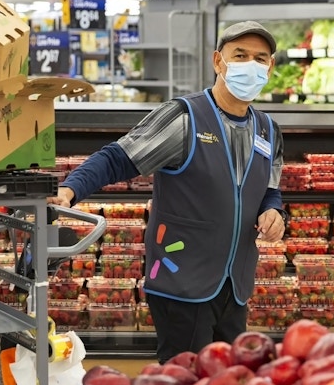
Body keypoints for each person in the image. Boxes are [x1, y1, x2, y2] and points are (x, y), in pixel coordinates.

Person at [47, 20, 287, 364]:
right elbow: (119, 157)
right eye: (241, 55)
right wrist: (70, 189)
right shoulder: (184, 118)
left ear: (270, 67)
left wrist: (274, 211)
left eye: (260, 58)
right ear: (218, 62)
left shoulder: (268, 129)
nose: (251, 65)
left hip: (235, 285)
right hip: (182, 282)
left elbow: (269, 188)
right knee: (184, 373)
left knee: (234, 373)